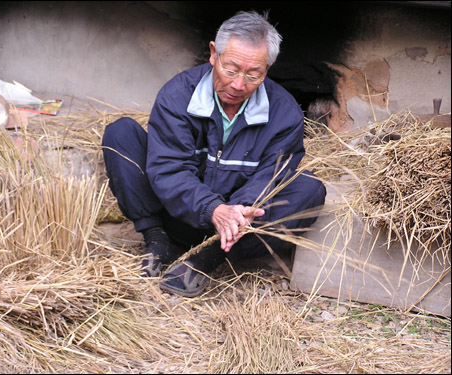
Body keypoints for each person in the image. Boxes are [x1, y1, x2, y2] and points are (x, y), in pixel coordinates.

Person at [102, 10, 326, 297]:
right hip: (176, 213)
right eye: (231, 69)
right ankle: (157, 243)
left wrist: (235, 214)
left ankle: (205, 260)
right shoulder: (178, 96)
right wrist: (213, 209)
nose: (238, 84)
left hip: (236, 229)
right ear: (213, 54)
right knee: (120, 134)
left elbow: (270, 178)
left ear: (267, 69)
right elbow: (169, 170)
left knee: (308, 188)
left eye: (253, 74)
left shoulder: (284, 113)